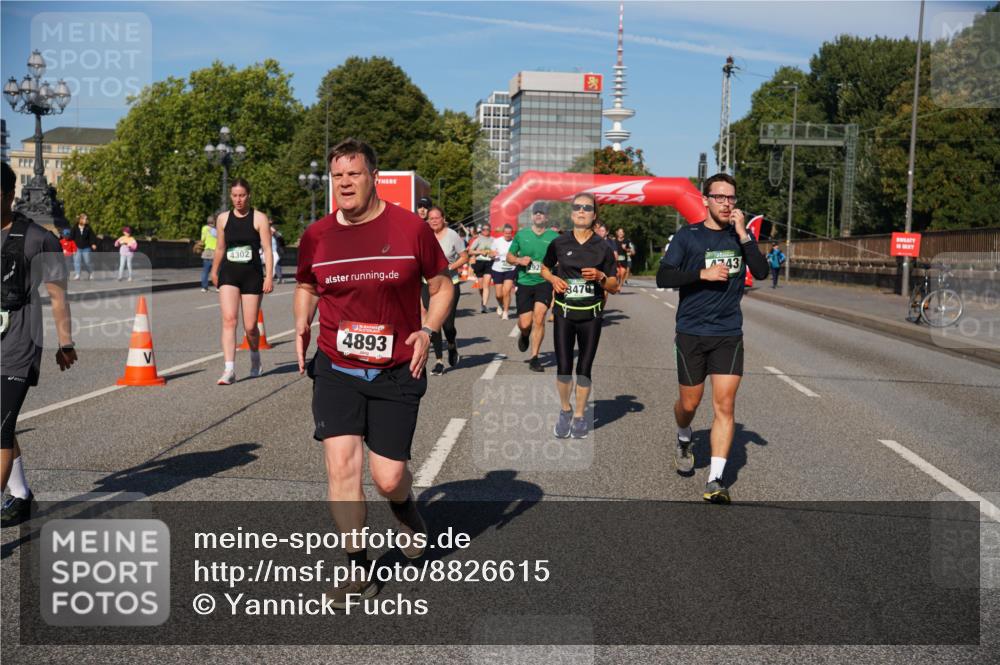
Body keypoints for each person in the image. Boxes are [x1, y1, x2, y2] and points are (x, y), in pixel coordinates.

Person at [294, 138, 451, 607]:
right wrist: (302, 319)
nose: (344, 183)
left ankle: (403, 505)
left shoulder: (410, 229)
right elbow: (307, 285)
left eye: (354, 174)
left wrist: (427, 330)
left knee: (387, 477)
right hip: (336, 366)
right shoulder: (317, 235)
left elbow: (442, 286)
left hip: (397, 368)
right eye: (337, 176)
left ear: (373, 177)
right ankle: (358, 569)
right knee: (342, 467)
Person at [656, 173, 769, 504]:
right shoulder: (688, 236)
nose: (726, 203)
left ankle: (715, 479)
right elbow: (663, 276)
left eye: (731, 198)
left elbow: (761, 272)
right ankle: (684, 436)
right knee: (689, 404)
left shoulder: (739, 238)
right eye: (719, 197)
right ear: (705, 200)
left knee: (725, 405)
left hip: (727, 333)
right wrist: (700, 274)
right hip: (691, 331)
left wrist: (744, 235)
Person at [1, 161, 77, 527]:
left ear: (9, 195)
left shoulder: (39, 239)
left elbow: (58, 295)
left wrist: (66, 342)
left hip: (18, 345)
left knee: (0, 430)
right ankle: (21, 494)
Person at [541, 193, 617, 440]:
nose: (581, 211)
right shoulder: (559, 243)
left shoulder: (603, 247)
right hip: (564, 313)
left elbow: (614, 285)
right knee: (564, 367)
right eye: (577, 207)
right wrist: (553, 279)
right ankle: (565, 410)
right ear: (572, 213)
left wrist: (601, 277)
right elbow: (544, 267)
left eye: (587, 208)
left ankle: (580, 415)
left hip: (590, 316)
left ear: (594, 215)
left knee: (584, 368)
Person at [209, 178, 274, 385]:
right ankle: (229, 369)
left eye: (242, 195)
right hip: (229, 273)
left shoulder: (259, 218)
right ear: (231, 196)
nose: (238, 200)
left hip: (252, 274)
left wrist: (269, 276)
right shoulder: (223, 219)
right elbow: (220, 247)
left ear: (249, 196)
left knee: (251, 326)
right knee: (229, 320)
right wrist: (214, 270)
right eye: (235, 196)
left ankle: (255, 358)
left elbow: (267, 249)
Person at [507, 203, 559, 372]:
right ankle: (524, 334)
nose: (538, 215)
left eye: (542, 213)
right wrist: (519, 260)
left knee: (540, 317)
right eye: (536, 212)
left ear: (547, 217)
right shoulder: (522, 235)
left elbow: (562, 257)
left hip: (544, 281)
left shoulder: (554, 237)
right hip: (524, 282)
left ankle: (534, 357)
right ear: (531, 216)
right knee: (525, 323)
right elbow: (509, 256)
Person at [421, 206, 467, 376]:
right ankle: (439, 361)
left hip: (449, 283)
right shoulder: (424, 235)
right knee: (433, 323)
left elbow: (464, 257)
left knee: (448, 325)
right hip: (428, 284)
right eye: (431, 218)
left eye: (437, 218)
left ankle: (452, 343)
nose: (434, 221)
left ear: (443, 219)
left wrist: (449, 268)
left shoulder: (452, 235)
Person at [490, 224, 516, 319]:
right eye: (506, 233)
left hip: (510, 269)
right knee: (498, 294)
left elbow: (519, 253)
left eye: (509, 233)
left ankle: (505, 312)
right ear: (503, 232)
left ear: (512, 233)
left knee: (507, 291)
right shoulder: (497, 241)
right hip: (497, 269)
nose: (508, 235)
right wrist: (492, 254)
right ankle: (500, 304)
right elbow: (490, 254)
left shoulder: (515, 242)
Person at [468, 224, 494, 313]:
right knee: (481, 287)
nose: (485, 231)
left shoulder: (493, 240)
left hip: (489, 263)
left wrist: (493, 254)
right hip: (479, 263)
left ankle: (484, 305)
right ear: (481, 230)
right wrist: (479, 252)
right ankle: (482, 301)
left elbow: (497, 251)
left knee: (486, 285)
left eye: (487, 229)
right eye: (484, 229)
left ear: (490, 230)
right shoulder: (478, 240)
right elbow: (470, 251)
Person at [69, 213, 97, 280]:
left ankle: (90, 273)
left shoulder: (88, 228)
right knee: (77, 261)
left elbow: (92, 237)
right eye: (84, 219)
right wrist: (71, 247)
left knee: (87, 261)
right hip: (77, 248)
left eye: (86, 219)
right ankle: (77, 274)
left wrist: (93, 243)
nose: (86, 220)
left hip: (86, 248)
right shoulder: (75, 228)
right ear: (80, 220)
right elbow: (71, 238)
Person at [200, 215, 218, 292]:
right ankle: (218, 287)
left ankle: (204, 287)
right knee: (217, 271)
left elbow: (202, 239)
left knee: (205, 271)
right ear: (214, 221)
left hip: (207, 252)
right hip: (216, 252)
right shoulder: (217, 229)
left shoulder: (204, 228)